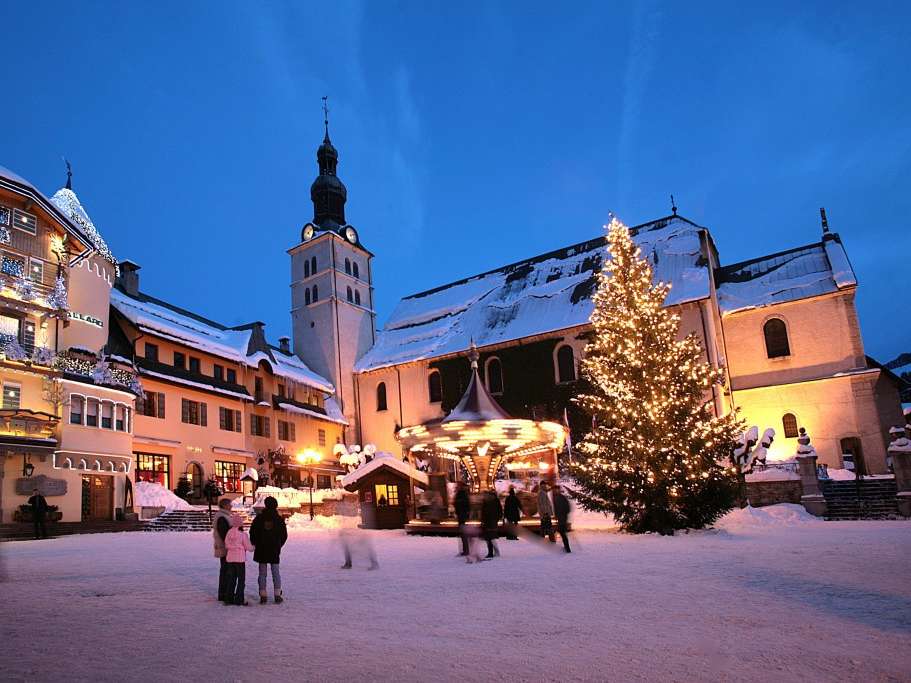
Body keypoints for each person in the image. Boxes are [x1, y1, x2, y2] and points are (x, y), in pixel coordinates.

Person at [249, 496, 288, 604]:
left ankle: (263, 594)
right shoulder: (279, 519)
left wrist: (256, 543)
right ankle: (277, 594)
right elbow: (284, 535)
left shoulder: (259, 518)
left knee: (262, 573)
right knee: (276, 572)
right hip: (274, 549)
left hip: (261, 549)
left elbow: (252, 532)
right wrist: (279, 545)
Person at [224, 514, 254, 606]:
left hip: (230, 559)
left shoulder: (228, 533)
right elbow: (249, 547)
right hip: (240, 560)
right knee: (241, 580)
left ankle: (228, 599)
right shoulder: (242, 535)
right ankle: (239, 599)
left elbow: (226, 545)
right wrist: (253, 547)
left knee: (231, 579)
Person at [211, 498, 233, 602]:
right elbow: (225, 534)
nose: (231, 506)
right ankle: (224, 594)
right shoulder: (222, 517)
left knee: (226, 570)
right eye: (230, 504)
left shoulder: (225, 516)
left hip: (226, 547)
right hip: (225, 548)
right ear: (224, 506)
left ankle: (224, 593)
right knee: (226, 571)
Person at [480, 489, 502, 558]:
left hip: (491, 521)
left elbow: (499, 511)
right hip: (489, 521)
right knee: (489, 538)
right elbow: (483, 512)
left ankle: (494, 552)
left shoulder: (493, 501)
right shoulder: (488, 501)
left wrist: (496, 519)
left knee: (491, 537)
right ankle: (492, 552)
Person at [552, 485, 572, 553]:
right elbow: (556, 509)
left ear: (558, 490)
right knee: (562, 533)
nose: (555, 491)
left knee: (562, 533)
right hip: (559, 519)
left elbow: (568, 508)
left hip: (563, 518)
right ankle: (566, 547)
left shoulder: (562, 498)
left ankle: (567, 549)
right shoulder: (555, 497)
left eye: (556, 490)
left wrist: (563, 514)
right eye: (554, 490)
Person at [454, 481, 471, 556]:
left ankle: (466, 550)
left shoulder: (461, 494)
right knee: (462, 533)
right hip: (462, 515)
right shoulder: (462, 494)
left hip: (462, 515)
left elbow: (462, 504)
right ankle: (465, 549)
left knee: (463, 533)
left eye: (458, 485)